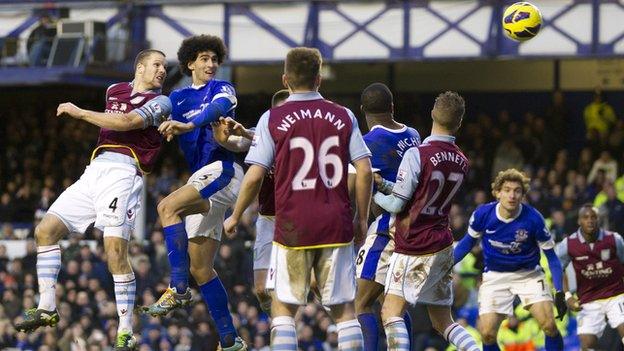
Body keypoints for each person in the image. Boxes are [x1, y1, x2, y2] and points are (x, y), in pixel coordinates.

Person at [15, 49, 171, 351]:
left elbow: (126, 122)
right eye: (157, 64)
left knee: (114, 251)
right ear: (140, 68)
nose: (163, 70)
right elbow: (115, 120)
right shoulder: (115, 89)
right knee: (44, 231)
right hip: (95, 170)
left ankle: (126, 330)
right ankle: (47, 306)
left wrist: (79, 112)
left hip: (125, 174)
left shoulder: (162, 101)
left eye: (165, 66)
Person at [223, 47, 373, 350]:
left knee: (282, 308)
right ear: (319, 79)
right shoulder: (343, 115)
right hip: (336, 223)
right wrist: (362, 219)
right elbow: (365, 170)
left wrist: (235, 215)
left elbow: (254, 175)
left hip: (293, 225)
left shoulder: (273, 118)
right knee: (344, 310)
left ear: (285, 79)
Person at [140, 34, 246, 351]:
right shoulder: (177, 97)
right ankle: (229, 339)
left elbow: (220, 108)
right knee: (202, 268)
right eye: (204, 59)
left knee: (166, 208)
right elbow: (149, 114)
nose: (211, 64)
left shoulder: (221, 89)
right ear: (190, 63)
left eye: (214, 59)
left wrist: (189, 125)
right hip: (202, 177)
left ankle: (178, 288)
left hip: (223, 171)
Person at [374, 91, 479, 351]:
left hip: (414, 244)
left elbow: (398, 204)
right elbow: (422, 192)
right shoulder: (462, 161)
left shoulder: (416, 154)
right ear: (459, 123)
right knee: (443, 322)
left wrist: (374, 193)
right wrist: (386, 185)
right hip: (442, 243)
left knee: (391, 313)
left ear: (432, 113)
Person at [454, 168, 567, 351]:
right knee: (487, 334)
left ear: (523, 194)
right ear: (497, 193)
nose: (512, 195)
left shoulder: (534, 219)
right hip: (495, 276)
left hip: (529, 274)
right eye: (507, 190)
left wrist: (560, 292)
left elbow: (552, 258)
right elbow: (466, 244)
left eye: (517, 191)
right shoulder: (483, 214)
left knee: (549, 325)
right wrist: (444, 267)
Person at [353, 82, 420, 350]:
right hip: (414, 228)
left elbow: (354, 184)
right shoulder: (414, 134)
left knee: (360, 302)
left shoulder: (368, 143)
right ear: (392, 107)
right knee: (391, 304)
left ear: (362, 111)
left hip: (387, 228)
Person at [556, 204, 624, 350]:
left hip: (616, 295)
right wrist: (567, 296)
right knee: (587, 344)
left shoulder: (614, 239)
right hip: (588, 299)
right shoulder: (568, 244)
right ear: (579, 221)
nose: (590, 220)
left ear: (598, 220)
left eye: (593, 217)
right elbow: (557, 269)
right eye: (585, 217)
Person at [252, 88, 289, 313]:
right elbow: (237, 142)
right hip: (267, 218)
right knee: (260, 289)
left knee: (284, 289)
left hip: (294, 219)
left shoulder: (303, 140)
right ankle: (276, 322)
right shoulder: (262, 135)